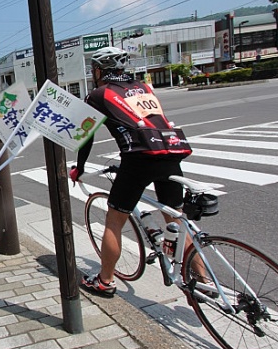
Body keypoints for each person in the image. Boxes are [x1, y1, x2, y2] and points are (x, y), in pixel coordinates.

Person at [69, 46, 192, 298]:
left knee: (115, 221)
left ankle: (105, 282)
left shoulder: (99, 93)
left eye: (94, 69)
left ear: (99, 70)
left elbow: (86, 135)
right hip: (171, 151)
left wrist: (79, 168)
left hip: (138, 159)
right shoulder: (143, 87)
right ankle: (202, 281)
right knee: (177, 219)